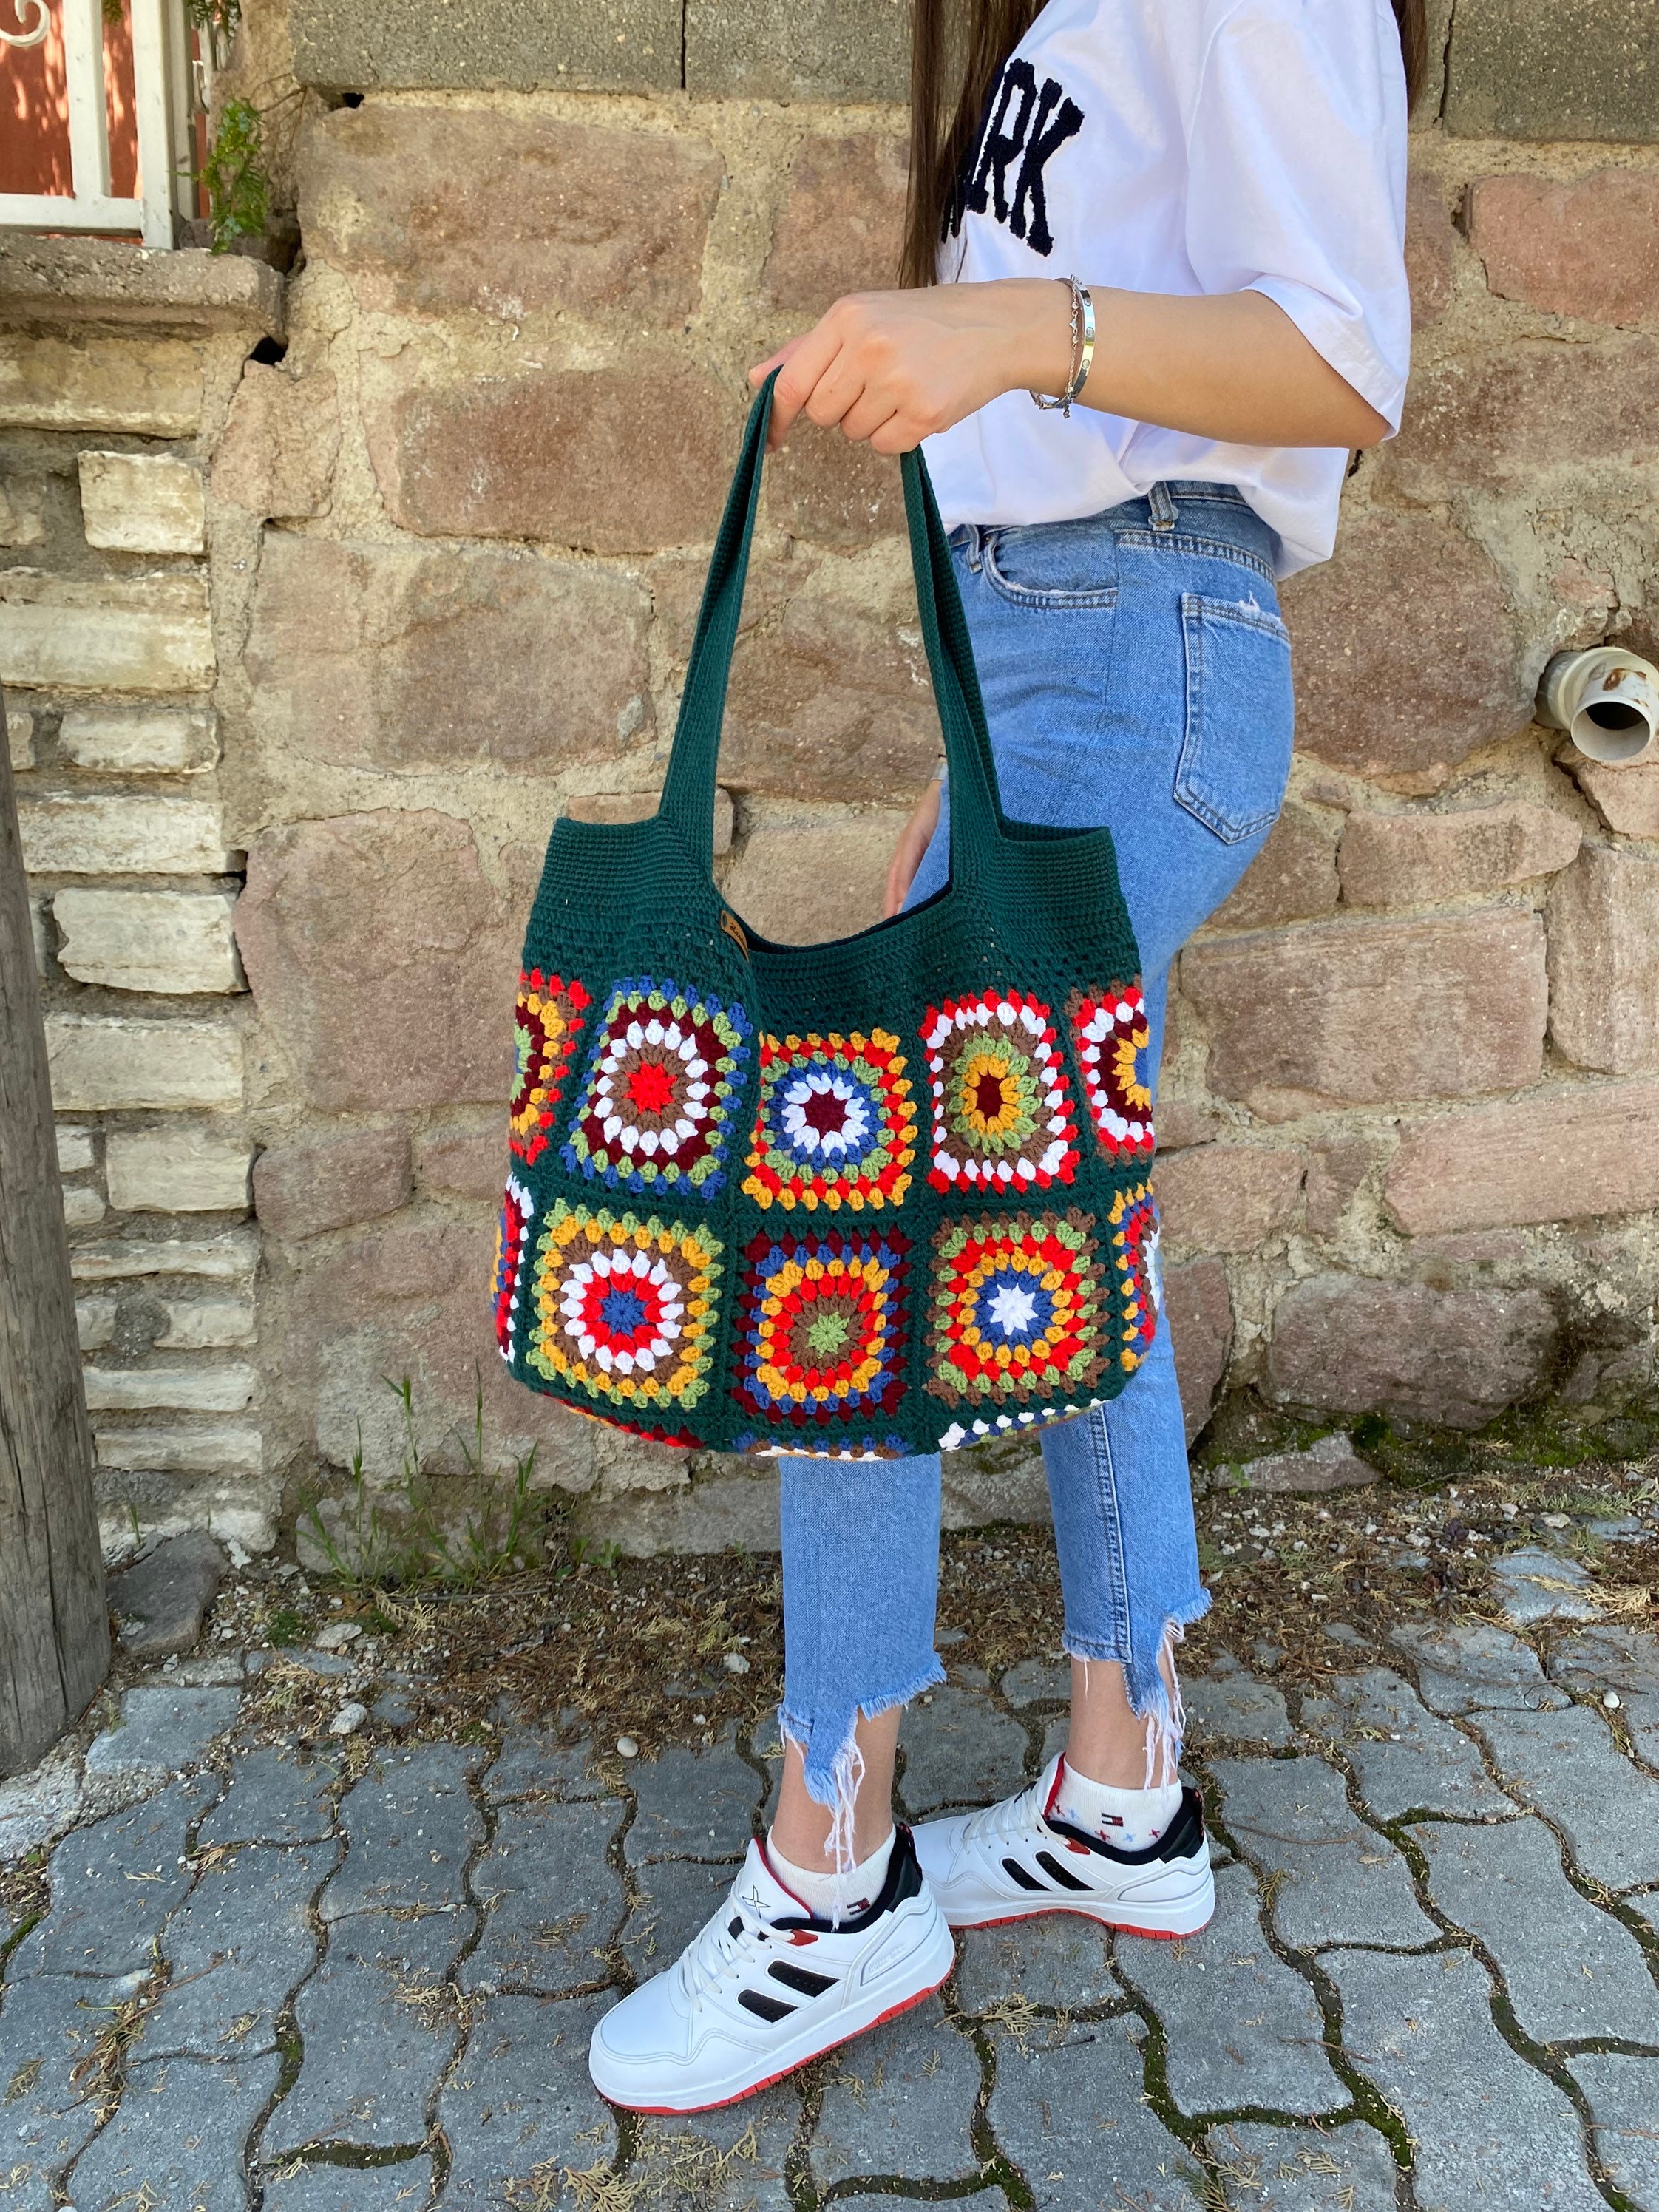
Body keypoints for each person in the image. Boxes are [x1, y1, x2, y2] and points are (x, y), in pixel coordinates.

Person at [588, 0, 1417, 2114]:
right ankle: (1120, 1796)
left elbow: (1340, 359)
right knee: (1054, 1210)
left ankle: (830, 1870)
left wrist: (1009, 329)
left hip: (1141, 653)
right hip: (1038, 678)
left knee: (868, 1202)